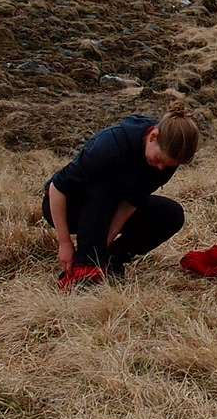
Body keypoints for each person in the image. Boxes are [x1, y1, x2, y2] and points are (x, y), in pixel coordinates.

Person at [42, 104, 199, 287]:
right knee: (102, 189)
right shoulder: (110, 145)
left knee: (171, 214)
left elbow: (133, 200)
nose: (161, 168)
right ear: (153, 137)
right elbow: (57, 188)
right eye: (159, 160)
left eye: (168, 165)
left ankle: (111, 259)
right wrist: (64, 243)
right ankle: (85, 268)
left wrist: (107, 240)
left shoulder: (165, 162)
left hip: (109, 207)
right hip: (69, 207)